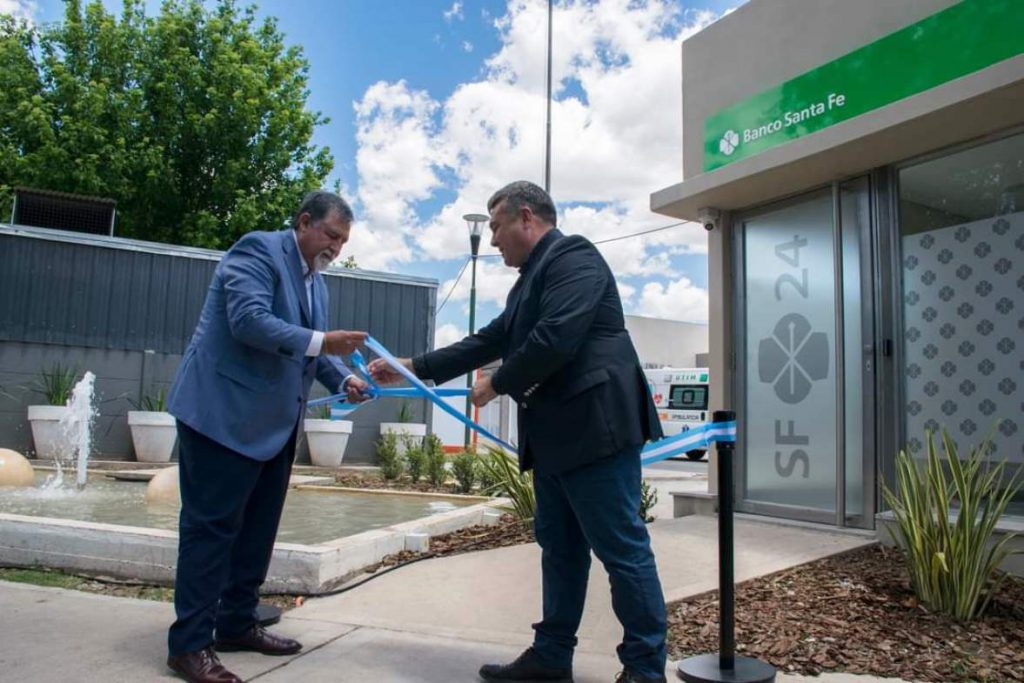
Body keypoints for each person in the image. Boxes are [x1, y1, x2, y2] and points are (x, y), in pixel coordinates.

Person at [369, 181, 668, 683]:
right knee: (560, 549)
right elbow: (490, 339)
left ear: (526, 217)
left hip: (596, 432)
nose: (491, 240)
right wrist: (412, 367)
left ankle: (644, 669)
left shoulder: (575, 258)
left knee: (621, 550)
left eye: (495, 226)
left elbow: (556, 337)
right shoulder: (529, 281)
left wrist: (497, 383)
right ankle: (552, 656)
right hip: (555, 438)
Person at [164, 190, 371, 683]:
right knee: (210, 531)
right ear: (304, 222)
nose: (336, 248)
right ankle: (189, 645)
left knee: (257, 531)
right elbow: (250, 322)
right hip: (221, 418)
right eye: (331, 236)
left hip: (275, 426)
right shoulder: (257, 250)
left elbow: (310, 351)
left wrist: (344, 379)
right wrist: (324, 342)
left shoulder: (317, 283)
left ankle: (237, 623)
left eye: (343, 241)